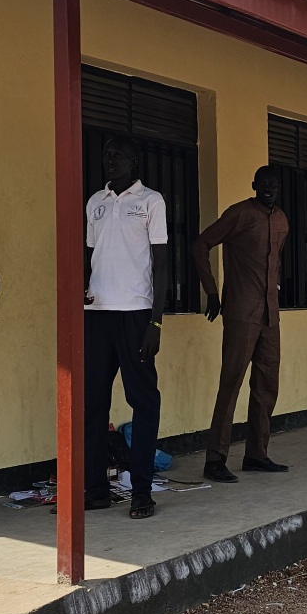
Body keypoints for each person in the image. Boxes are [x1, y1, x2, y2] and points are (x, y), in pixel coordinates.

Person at [82, 135, 168, 520]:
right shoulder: (95, 203)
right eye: (106, 154)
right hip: (98, 315)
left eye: (118, 155)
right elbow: (92, 257)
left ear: (134, 162)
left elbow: (162, 264)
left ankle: (142, 492)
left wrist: (155, 320)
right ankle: (96, 490)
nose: (110, 159)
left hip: (136, 316)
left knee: (144, 401)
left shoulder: (151, 201)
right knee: (92, 403)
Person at [194, 166, 290, 482]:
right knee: (231, 382)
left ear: (279, 188)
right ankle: (215, 459)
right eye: (263, 183)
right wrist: (211, 291)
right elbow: (201, 244)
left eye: (273, 184)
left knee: (266, 386)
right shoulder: (239, 214)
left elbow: (275, 261)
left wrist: (274, 286)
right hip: (241, 311)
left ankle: (256, 454)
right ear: (254, 185)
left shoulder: (281, 220)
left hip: (270, 316)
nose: (268, 188)